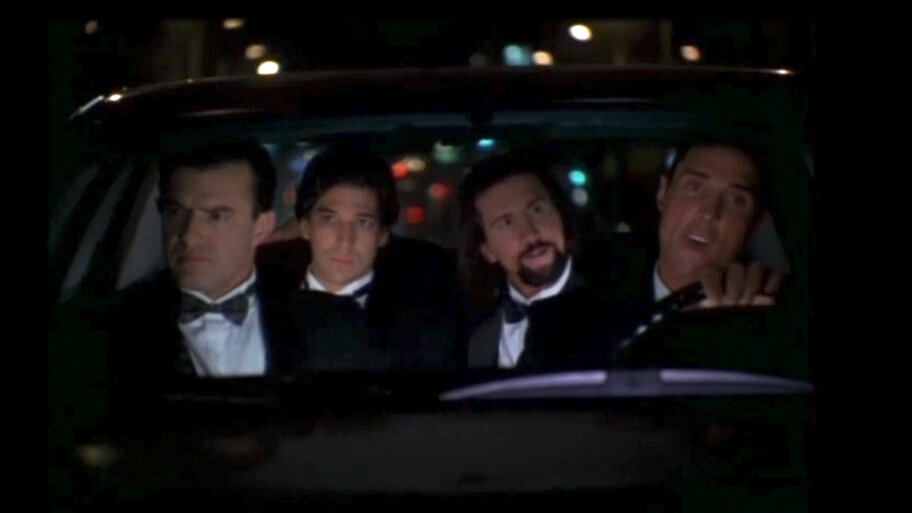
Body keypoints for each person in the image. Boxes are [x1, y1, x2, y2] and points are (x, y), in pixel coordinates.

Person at [104, 141, 289, 381]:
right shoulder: (107, 327)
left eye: (217, 216)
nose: (189, 236)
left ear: (261, 228)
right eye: (175, 211)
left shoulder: (319, 320)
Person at [286, 149, 461, 372]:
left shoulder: (430, 325)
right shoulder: (265, 308)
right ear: (305, 226)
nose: (345, 241)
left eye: (362, 223)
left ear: (382, 235)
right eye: (330, 220)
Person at [458, 151, 625, 369]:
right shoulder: (477, 336)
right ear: (488, 250)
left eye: (537, 210)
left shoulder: (619, 307)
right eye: (506, 223)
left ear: (560, 214)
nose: (530, 234)